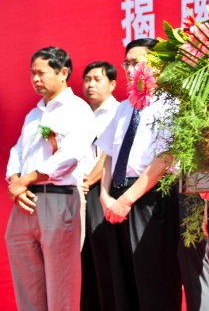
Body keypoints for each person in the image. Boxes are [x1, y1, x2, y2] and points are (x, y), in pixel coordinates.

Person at [5, 46, 95, 310]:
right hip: (26, 201)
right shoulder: (34, 115)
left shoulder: (78, 110)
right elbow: (17, 151)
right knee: (27, 287)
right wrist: (16, 181)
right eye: (32, 73)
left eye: (41, 73)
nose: (35, 79)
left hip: (59, 200)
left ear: (63, 72)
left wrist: (26, 179)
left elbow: (70, 156)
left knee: (61, 287)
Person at [97, 38, 182, 310]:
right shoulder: (123, 107)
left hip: (151, 198)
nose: (130, 69)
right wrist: (105, 196)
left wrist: (127, 199)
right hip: (116, 200)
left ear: (157, 64)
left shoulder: (170, 104)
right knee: (124, 284)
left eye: (136, 62)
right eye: (127, 63)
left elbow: (165, 159)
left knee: (154, 281)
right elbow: (109, 155)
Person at [80, 61, 119, 311]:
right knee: (86, 259)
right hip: (81, 191)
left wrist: (87, 181)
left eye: (97, 79)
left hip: (101, 191)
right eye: (87, 79)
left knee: (104, 256)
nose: (90, 84)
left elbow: (107, 155)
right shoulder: (82, 114)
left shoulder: (118, 112)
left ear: (112, 84)